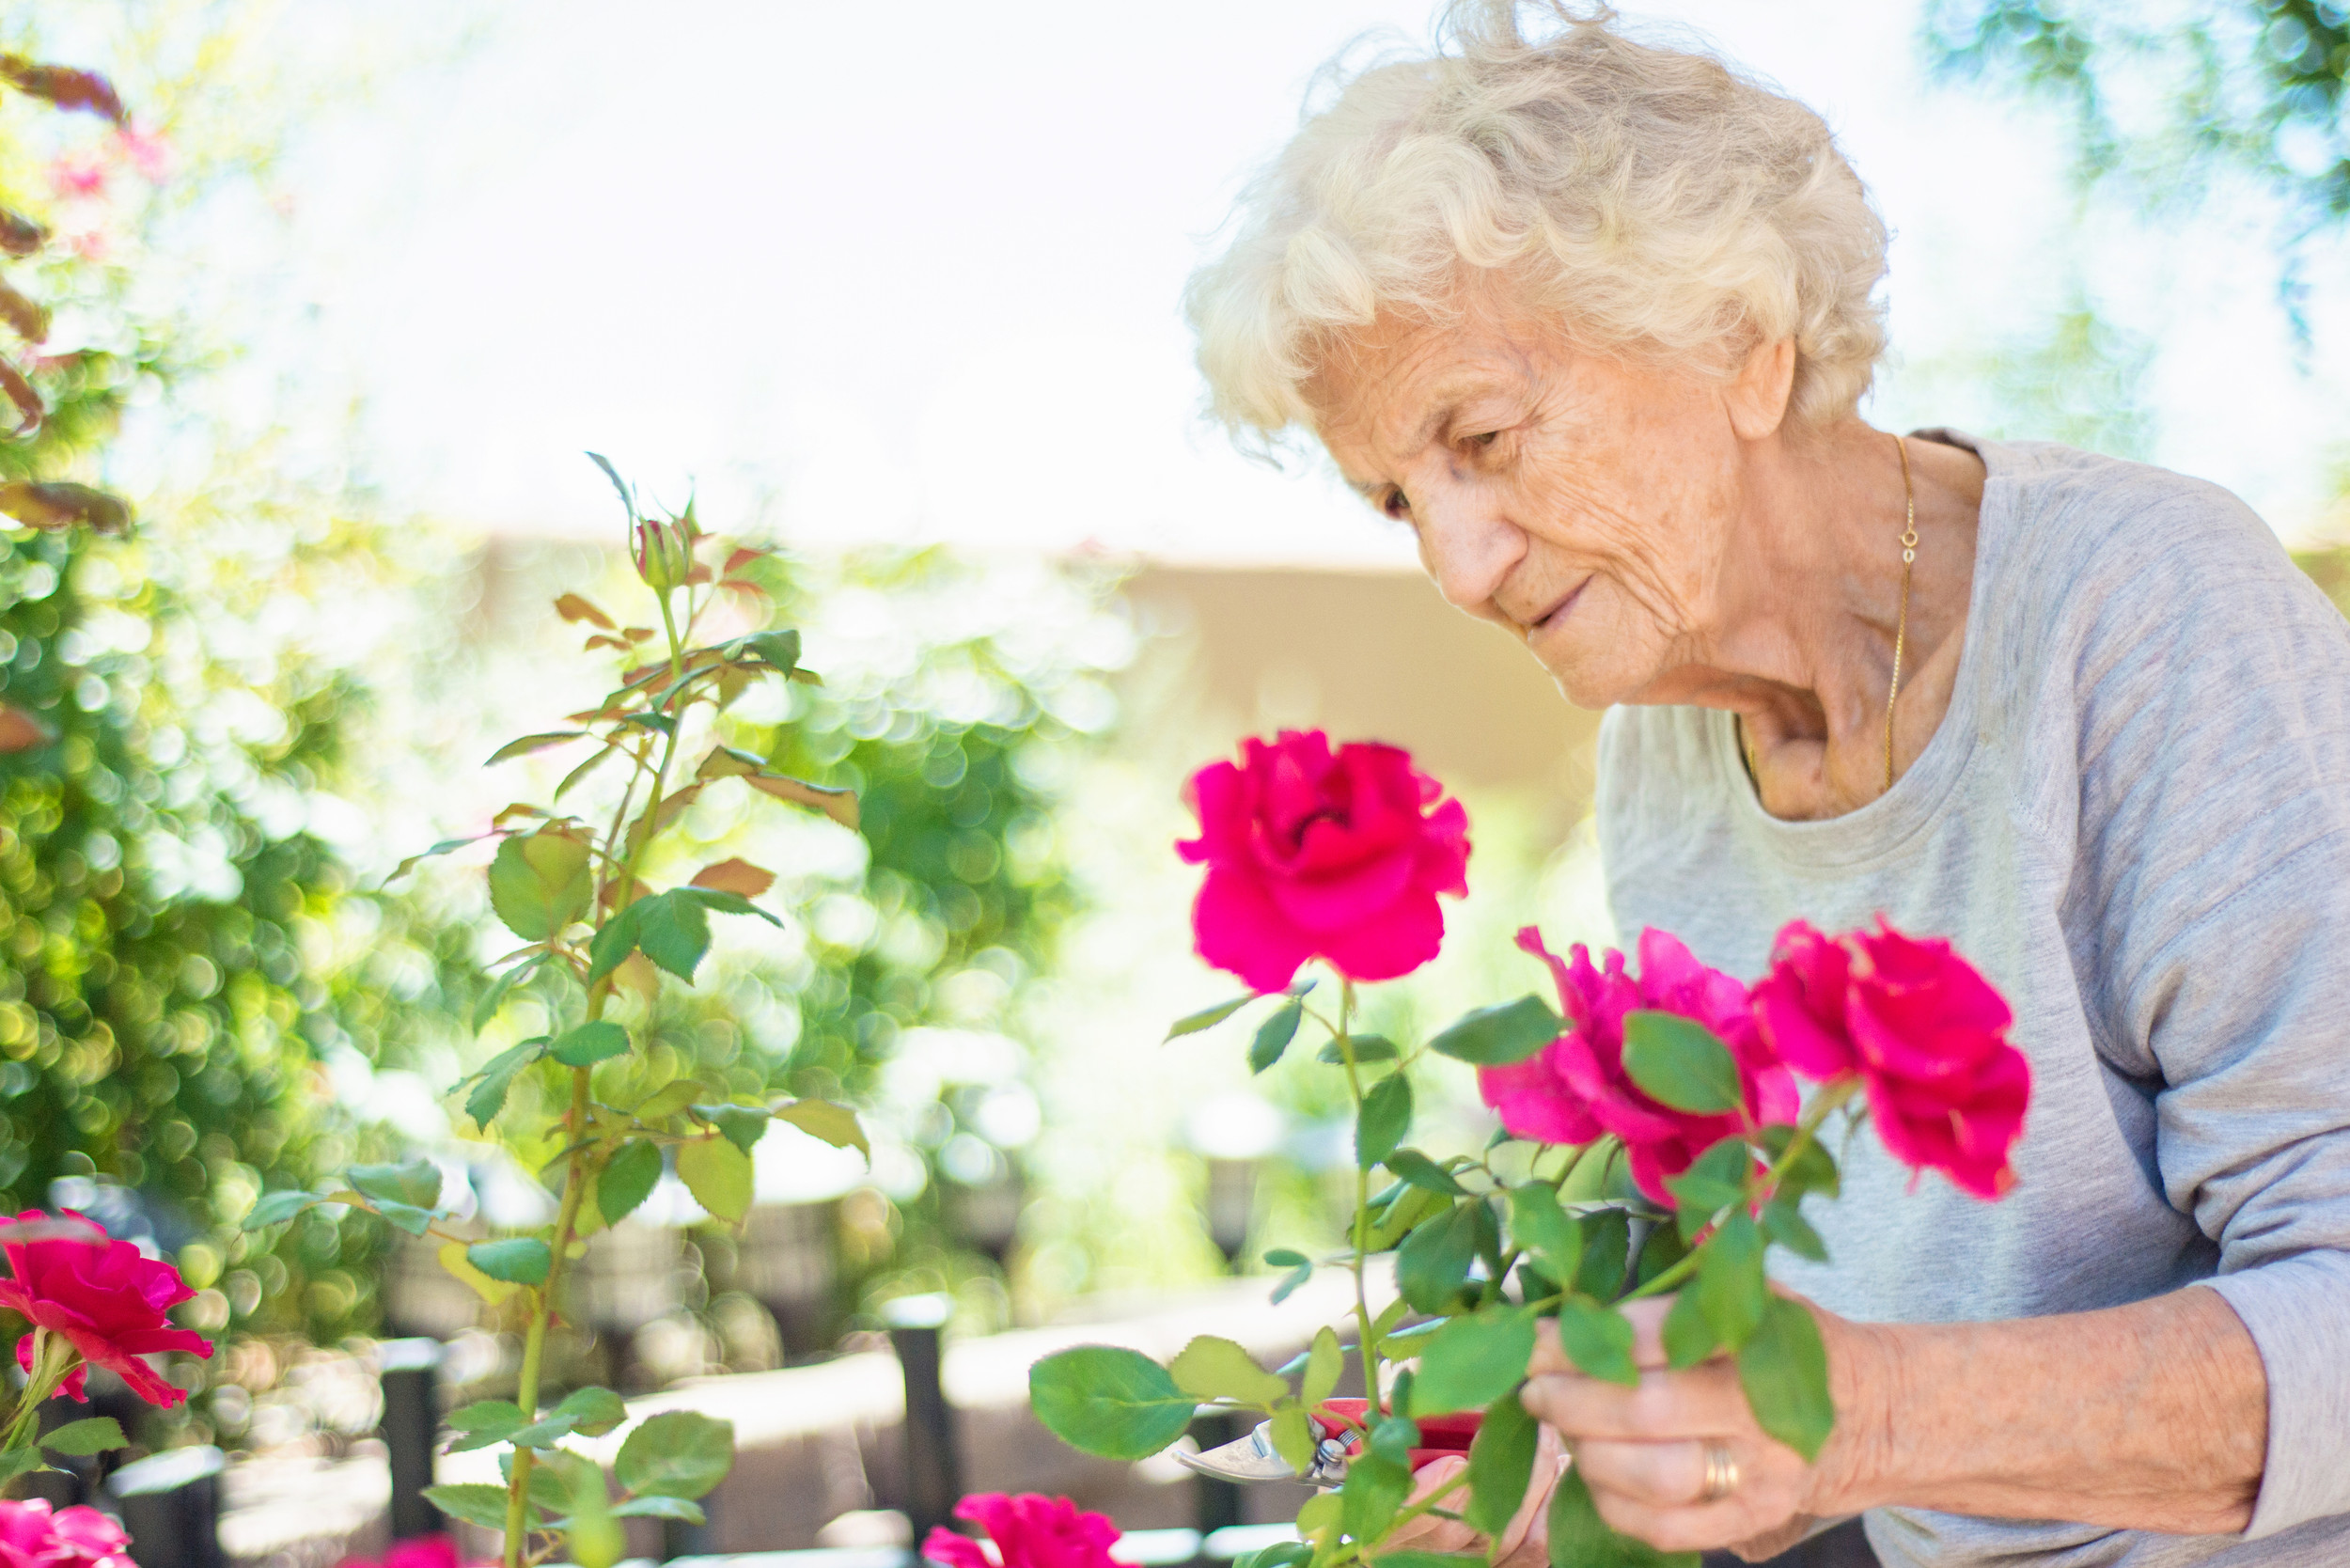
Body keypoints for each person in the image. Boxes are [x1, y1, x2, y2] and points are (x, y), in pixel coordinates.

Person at [1180, 4, 2350, 1565]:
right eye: (1403, 496)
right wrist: (1585, 1465)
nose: (1454, 565)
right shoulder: (1664, 760)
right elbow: (1781, 1340)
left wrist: (1853, 1423)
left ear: (1738, 342)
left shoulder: (2145, 617)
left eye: (1487, 437)